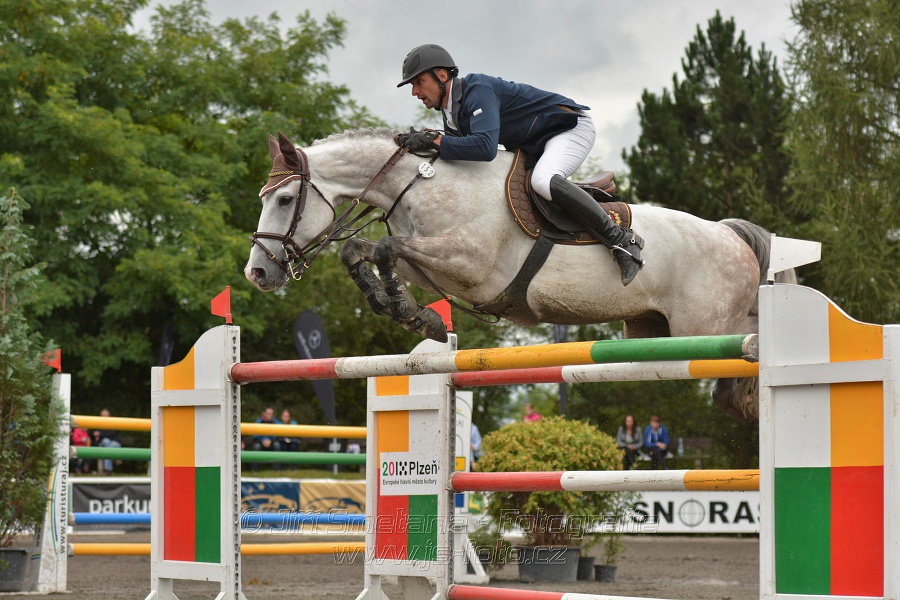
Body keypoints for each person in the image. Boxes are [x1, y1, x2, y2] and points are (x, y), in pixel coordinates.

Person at [396, 44, 644, 286]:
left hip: (569, 128)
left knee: (543, 181)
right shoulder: (451, 111)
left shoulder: (477, 89)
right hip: (535, 143)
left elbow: (484, 147)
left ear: (441, 76)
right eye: (412, 85)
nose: (414, 92)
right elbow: (460, 148)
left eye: (419, 82)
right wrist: (427, 142)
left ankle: (621, 240)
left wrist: (436, 140)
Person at [91, 408, 122, 474]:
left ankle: (108, 469)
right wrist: (95, 434)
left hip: (114, 443)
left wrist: (100, 434)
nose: (105, 417)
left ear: (109, 415)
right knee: (106, 441)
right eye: (103, 415)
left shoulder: (113, 423)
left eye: (106, 415)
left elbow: (113, 433)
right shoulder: (97, 423)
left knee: (109, 445)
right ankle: (116, 457)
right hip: (103, 444)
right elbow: (92, 432)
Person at [252, 407, 282, 471]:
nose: (270, 415)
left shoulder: (276, 422)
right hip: (260, 442)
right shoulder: (258, 422)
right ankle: (255, 470)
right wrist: (262, 441)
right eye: (268, 413)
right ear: (264, 414)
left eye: (272, 414)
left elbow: (278, 435)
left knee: (277, 445)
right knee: (256, 447)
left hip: (272, 442)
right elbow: (255, 437)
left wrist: (270, 441)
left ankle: (277, 469)